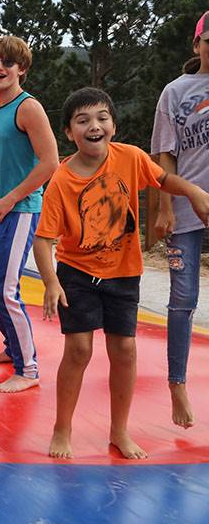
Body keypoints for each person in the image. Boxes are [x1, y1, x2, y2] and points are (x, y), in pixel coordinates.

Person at [35, 88, 209, 460]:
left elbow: (164, 180)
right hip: (77, 272)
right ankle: (62, 428)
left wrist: (193, 191)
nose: (93, 126)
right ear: (69, 132)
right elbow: (44, 239)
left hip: (124, 273)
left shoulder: (130, 158)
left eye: (101, 118)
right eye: (82, 121)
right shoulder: (62, 181)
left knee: (125, 350)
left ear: (113, 125)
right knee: (79, 349)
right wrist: (50, 281)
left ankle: (119, 431)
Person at [0, 35, 59, 392]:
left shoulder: (28, 108)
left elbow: (50, 162)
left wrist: (12, 198)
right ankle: (13, 346)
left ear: (21, 68)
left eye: (7, 62)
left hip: (19, 210)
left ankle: (29, 369)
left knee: (4, 290)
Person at [150, 10, 209, 428]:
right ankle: (178, 386)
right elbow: (164, 155)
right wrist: (166, 205)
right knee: (183, 300)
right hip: (187, 208)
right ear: (197, 45)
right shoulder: (175, 92)